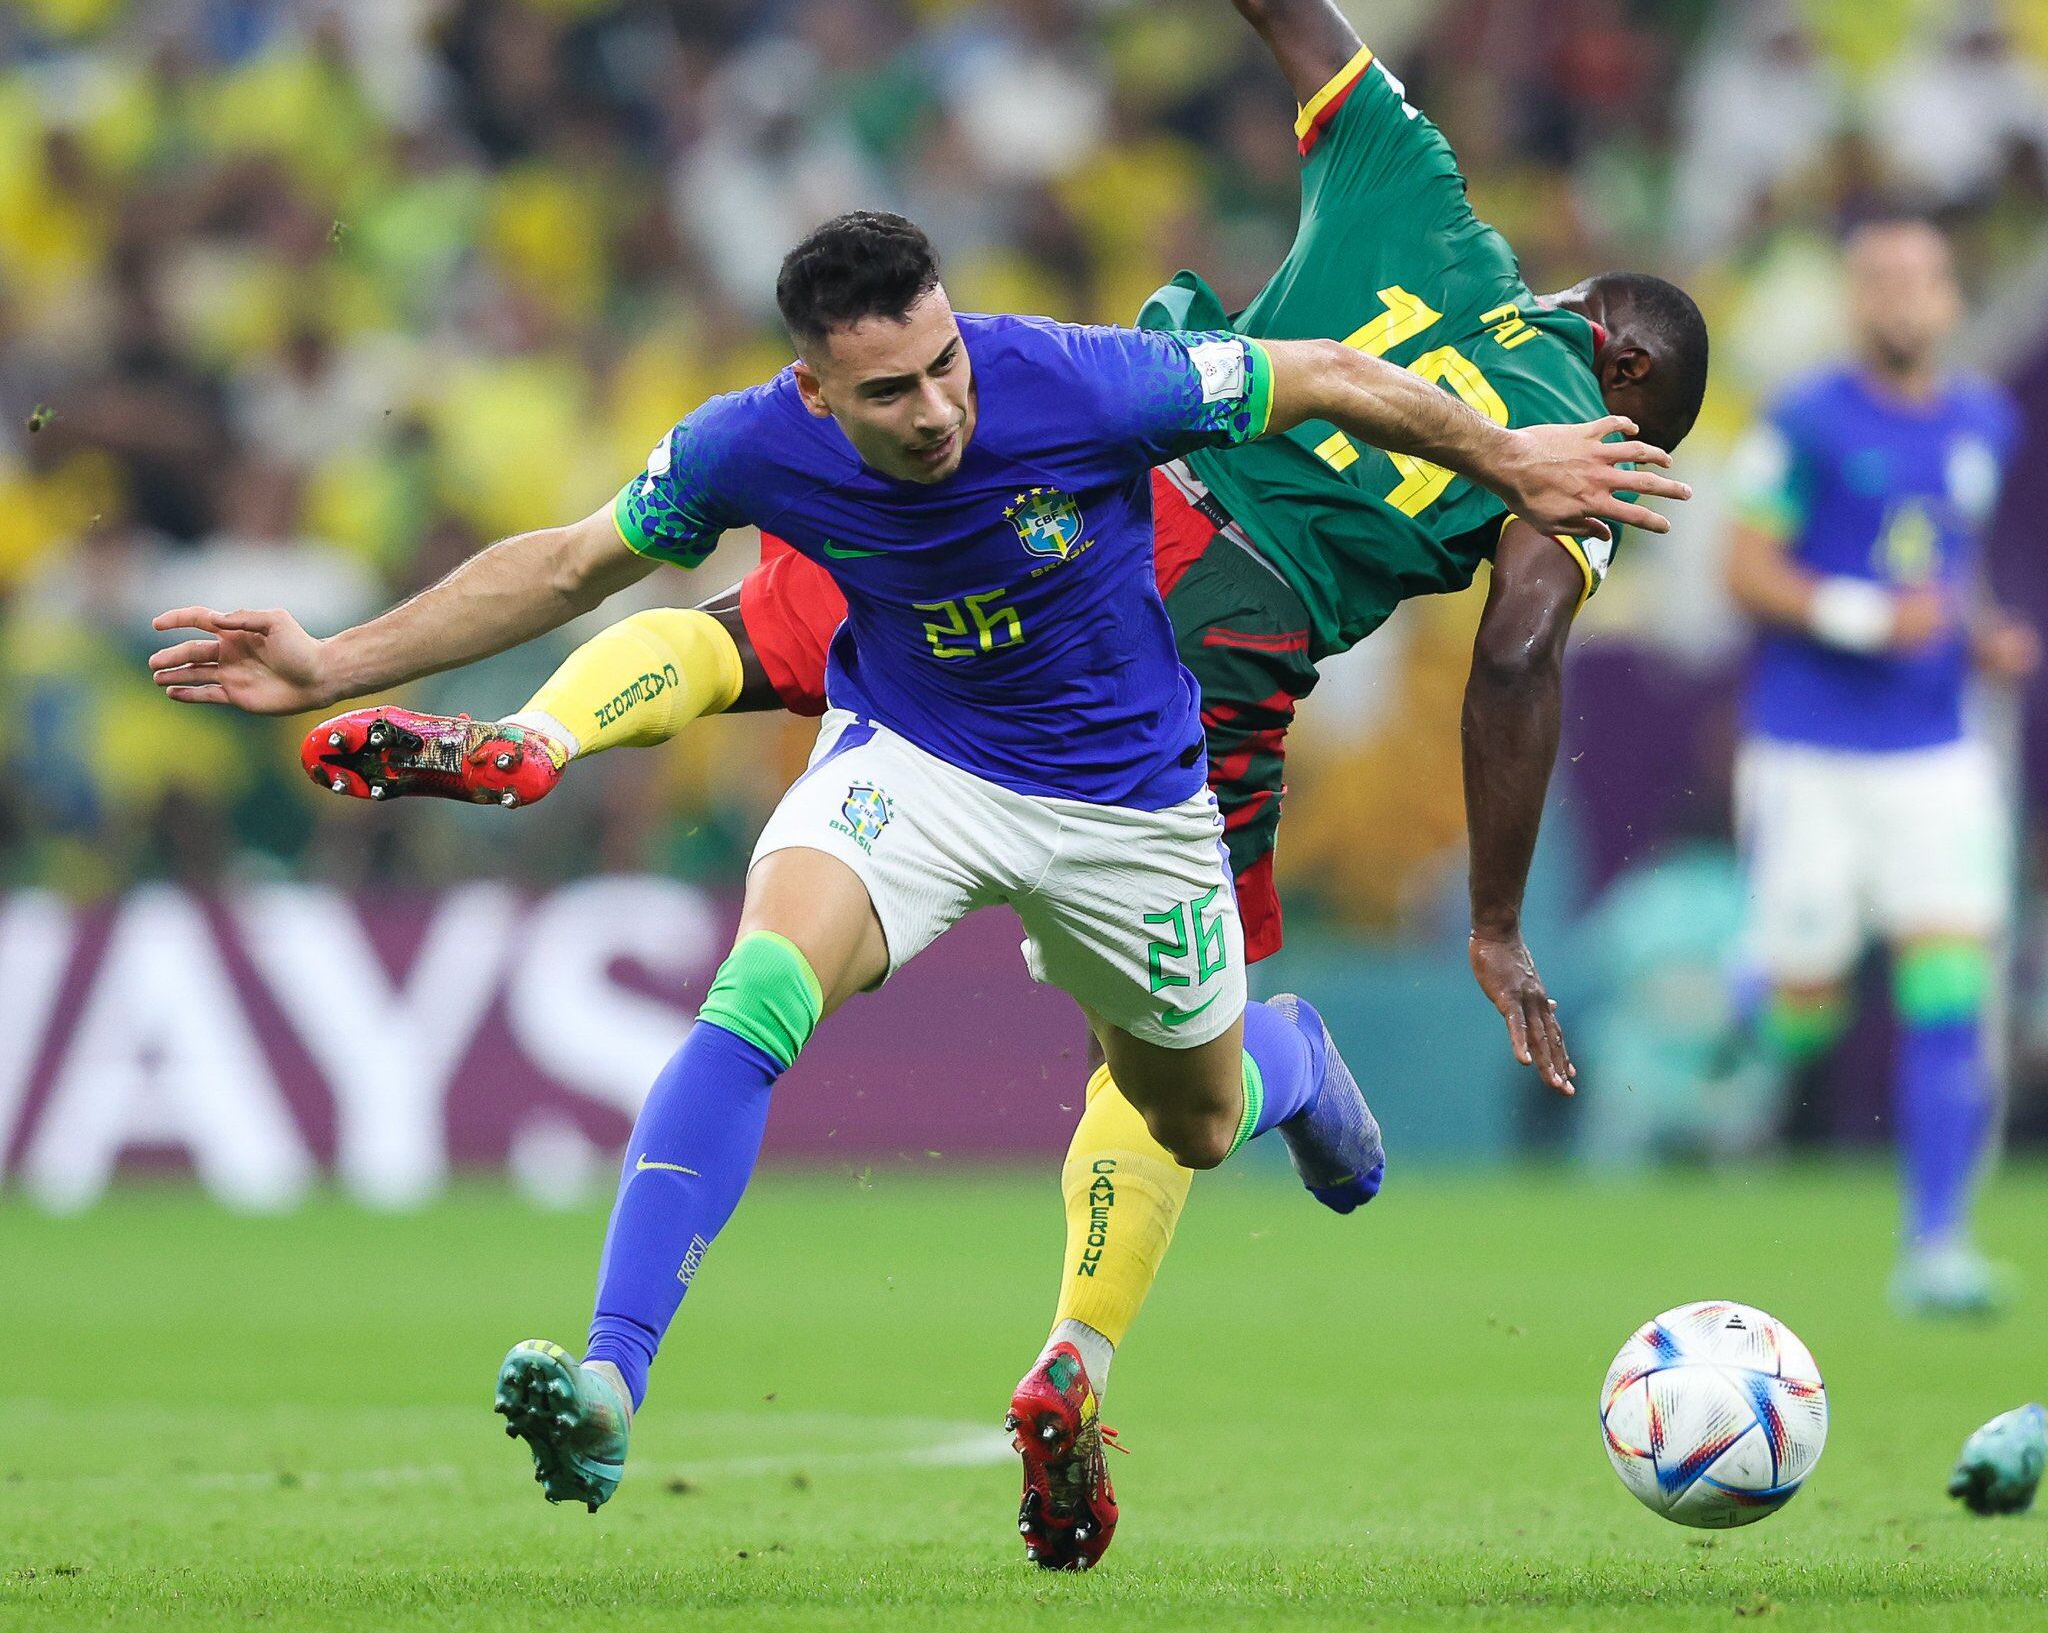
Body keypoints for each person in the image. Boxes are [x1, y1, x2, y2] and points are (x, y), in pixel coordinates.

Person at [290, 0, 1712, 1570]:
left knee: (789, 639)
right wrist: (1486, 899)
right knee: (845, 979)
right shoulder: (1577, 441)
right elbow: (1523, 643)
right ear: (1624, 382)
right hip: (1180, 635)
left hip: (1104, 591)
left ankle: (562, 744)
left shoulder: (1419, 203)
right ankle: (826, 1361)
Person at [149, 204, 1679, 1534]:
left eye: (944, 364)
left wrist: (1507, 460)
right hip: (919, 764)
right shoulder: (749, 443)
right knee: (756, 994)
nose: (940, 408)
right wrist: (329, 663)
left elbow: (1331, 377)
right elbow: (567, 563)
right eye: (892, 391)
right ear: (814, 388)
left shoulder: (1064, 379)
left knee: (1198, 1122)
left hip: (1131, 807)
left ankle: (1281, 1061)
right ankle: (612, 1378)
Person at [1725, 216, 2035, 1317]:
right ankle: (1754, 991)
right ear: (1854, 304)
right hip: (1808, 750)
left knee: (1951, 986)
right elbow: (1744, 566)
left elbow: (1948, 570)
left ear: (1950, 299)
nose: (1899, 299)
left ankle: (1935, 1243)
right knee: (1805, 1008)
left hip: (1935, 754)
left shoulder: (1982, 420)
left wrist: (1983, 632)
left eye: (1919, 280)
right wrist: (1865, 615)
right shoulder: (1801, 421)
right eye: (1878, 280)